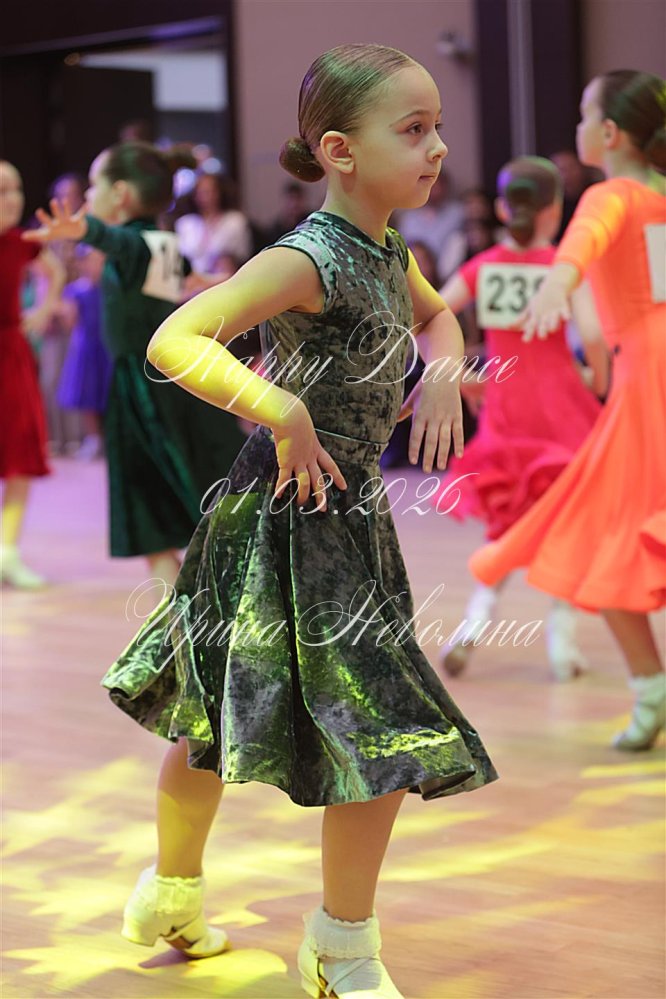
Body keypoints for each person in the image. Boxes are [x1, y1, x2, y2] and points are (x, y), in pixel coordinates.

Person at [97, 45, 497, 999]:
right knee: (219, 717)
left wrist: (443, 370)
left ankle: (323, 935)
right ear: (338, 150)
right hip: (273, 517)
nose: (438, 147)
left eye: (438, 127)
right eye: (414, 129)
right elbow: (176, 338)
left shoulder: (390, 250)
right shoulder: (305, 257)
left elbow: (439, 318)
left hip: (346, 520)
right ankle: (222, 908)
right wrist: (280, 408)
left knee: (369, 729)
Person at [470, 70, 666, 751]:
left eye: (584, 113)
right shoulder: (658, 198)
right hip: (646, 373)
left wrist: (558, 281)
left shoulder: (610, 193)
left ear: (609, 133)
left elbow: (583, 243)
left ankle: (651, 690)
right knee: (612, 533)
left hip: (648, 380)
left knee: (600, 535)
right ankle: (650, 692)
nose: (577, 124)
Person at [25, 142, 247, 587]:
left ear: (120, 194)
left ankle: (185, 599)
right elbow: (184, 278)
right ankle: (183, 599)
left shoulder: (134, 243)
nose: (89, 194)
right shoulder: (163, 241)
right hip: (174, 378)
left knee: (149, 497)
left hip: (142, 388)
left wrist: (84, 228)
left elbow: (118, 242)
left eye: (94, 186)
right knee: (177, 489)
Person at [431, 156, 606, 682]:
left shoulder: (482, 265)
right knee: (568, 525)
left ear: (503, 209)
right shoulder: (564, 266)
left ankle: (474, 623)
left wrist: (455, 375)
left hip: (506, 411)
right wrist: (598, 379)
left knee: (506, 528)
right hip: (563, 409)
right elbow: (594, 336)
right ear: (555, 210)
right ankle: (562, 645)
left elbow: (428, 316)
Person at [0, 161, 64, 588]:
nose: (12, 199)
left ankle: (7, 551)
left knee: (20, 453)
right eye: (2, 190)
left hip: (11, 355)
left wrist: (42, 311)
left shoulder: (22, 241)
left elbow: (55, 273)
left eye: (16, 189)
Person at [55, 246, 112, 460]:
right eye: (88, 260)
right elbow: (71, 323)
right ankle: (93, 439)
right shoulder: (75, 290)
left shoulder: (109, 288)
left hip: (107, 348)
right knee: (88, 396)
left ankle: (110, 440)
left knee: (108, 393)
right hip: (86, 349)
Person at [175, 172, 252, 271]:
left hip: (226, 276)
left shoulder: (235, 221)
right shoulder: (185, 223)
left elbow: (243, 255)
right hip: (191, 278)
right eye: (200, 192)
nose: (205, 197)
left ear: (220, 192)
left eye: (209, 191)